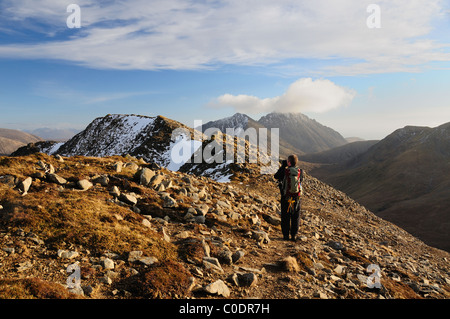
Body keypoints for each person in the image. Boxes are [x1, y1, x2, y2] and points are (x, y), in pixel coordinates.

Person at [274, 155, 304, 241]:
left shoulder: (285, 171)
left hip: (286, 197)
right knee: (295, 216)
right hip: (296, 198)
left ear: (289, 162)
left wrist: (283, 166)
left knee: (285, 216)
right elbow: (300, 180)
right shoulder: (300, 171)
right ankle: (294, 235)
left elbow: (276, 176)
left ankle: (286, 236)